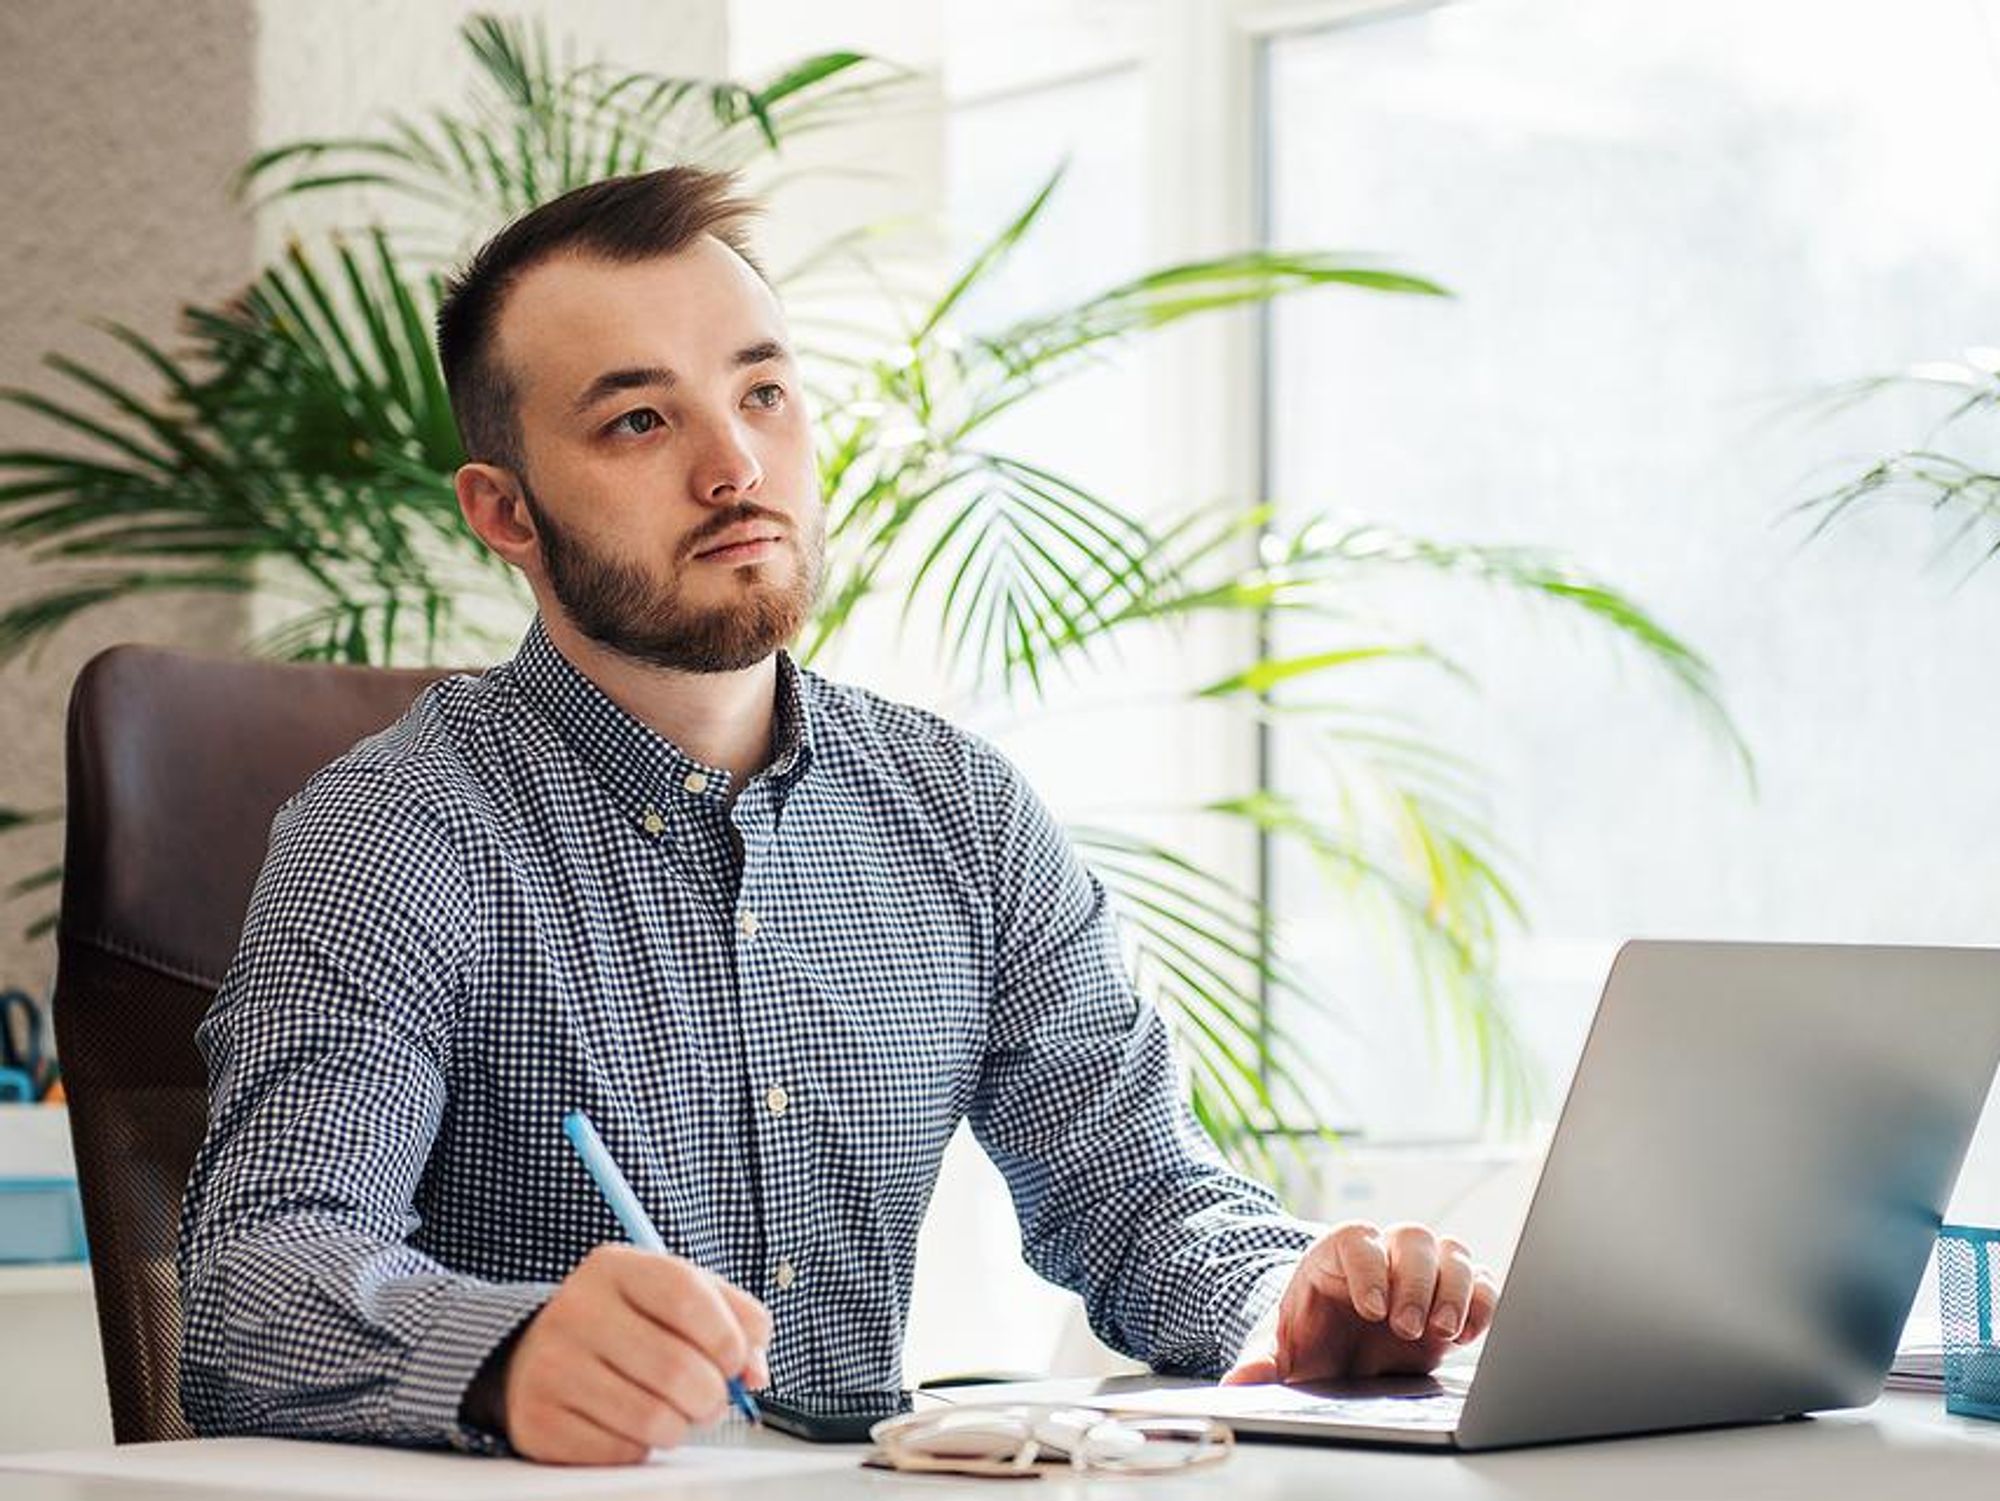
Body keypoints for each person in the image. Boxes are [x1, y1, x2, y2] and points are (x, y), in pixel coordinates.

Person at [176, 166, 1499, 1465]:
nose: (735, 463)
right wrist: (505, 1350)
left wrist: (1290, 1305)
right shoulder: (396, 833)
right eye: (641, 421)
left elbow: (1143, 1196)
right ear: (504, 510)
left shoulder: (960, 810)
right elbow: (257, 1277)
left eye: (763, 392)